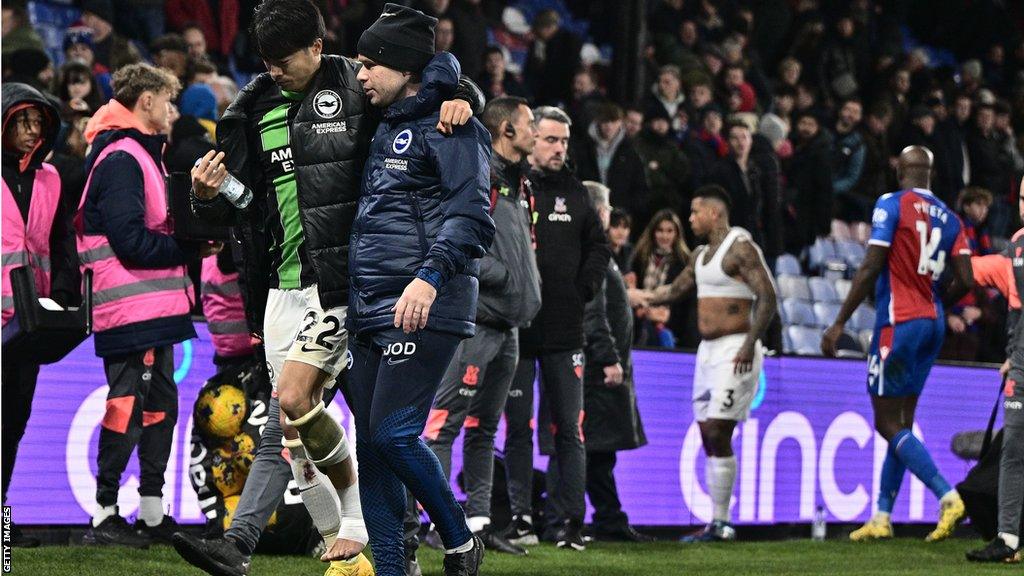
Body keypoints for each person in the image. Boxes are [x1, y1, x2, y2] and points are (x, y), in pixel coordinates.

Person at [181, 1, 479, 574]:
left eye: (283, 60)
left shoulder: (358, 83)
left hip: (347, 284)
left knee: (320, 412)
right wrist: (208, 196)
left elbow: (425, 82)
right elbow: (248, 207)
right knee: (303, 425)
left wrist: (463, 93)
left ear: (318, 48)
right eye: (264, 61)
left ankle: (330, 533)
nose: (272, 71)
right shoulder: (254, 106)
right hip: (280, 286)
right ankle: (359, 549)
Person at [347, 5, 495, 575]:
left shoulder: (455, 127)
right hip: (370, 305)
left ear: (402, 67)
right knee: (371, 445)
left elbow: (470, 219)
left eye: (369, 66)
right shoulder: (384, 122)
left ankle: (459, 541)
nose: (360, 76)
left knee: (394, 432)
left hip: (425, 300)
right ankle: (392, 567)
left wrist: (428, 279)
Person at [74, 63, 210, 547]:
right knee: (127, 409)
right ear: (146, 101)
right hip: (131, 312)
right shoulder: (122, 159)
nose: (173, 112)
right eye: (168, 101)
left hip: (152, 312)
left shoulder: (138, 155)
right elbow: (130, 242)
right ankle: (104, 514)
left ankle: (151, 514)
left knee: (157, 412)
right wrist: (190, 249)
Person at [821, 146, 974, 543]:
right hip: (933, 322)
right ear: (931, 173)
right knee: (902, 423)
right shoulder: (951, 217)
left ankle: (947, 496)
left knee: (886, 422)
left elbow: (873, 263)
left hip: (898, 322)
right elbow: (968, 280)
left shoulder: (891, 204)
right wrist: (938, 303)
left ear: (900, 169)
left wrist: (838, 322)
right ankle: (883, 516)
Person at [413, 96, 542, 557]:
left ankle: (478, 523)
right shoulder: (481, 173)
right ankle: (435, 522)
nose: (536, 130)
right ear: (506, 129)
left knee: (485, 427)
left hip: (509, 328)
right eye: (530, 123)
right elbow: (447, 232)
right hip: (475, 322)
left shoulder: (518, 183)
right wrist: (502, 276)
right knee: (444, 424)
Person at [642, 184, 777, 541]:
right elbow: (672, 291)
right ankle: (717, 523)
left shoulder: (741, 249)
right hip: (707, 353)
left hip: (735, 348)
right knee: (707, 433)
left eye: (695, 212)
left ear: (713, 213)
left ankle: (722, 521)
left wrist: (750, 343)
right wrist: (634, 296)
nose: (690, 218)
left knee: (718, 428)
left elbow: (768, 296)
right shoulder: (702, 255)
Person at [503, 105, 610, 551]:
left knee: (570, 429)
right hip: (520, 331)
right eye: (550, 139)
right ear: (531, 140)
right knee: (519, 429)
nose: (558, 148)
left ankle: (568, 521)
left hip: (567, 333)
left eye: (563, 141)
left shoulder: (577, 191)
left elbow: (599, 246)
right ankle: (521, 516)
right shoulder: (511, 184)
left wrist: (583, 287)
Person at [1, 82, 80, 549]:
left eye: (39, 124)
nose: (33, 132)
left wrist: (66, 292)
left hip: (30, 325)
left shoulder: (51, 179)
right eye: (24, 123)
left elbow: (61, 244)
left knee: (12, 424)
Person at [580, 181, 650, 542]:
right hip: (597, 371)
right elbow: (593, 313)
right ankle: (601, 518)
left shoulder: (598, 252)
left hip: (600, 368)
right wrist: (608, 357)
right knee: (595, 450)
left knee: (599, 451)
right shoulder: (593, 252)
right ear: (601, 212)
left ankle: (607, 517)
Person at [967, 183, 1024, 563]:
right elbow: (988, 272)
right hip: (1021, 368)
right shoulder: (1018, 243)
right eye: (1022, 199)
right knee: (1013, 453)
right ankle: (1008, 538)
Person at [572, 103, 651, 235]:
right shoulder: (584, 148)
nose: (609, 126)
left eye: (613, 121)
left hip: (620, 218)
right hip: (588, 216)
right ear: (598, 121)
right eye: (605, 121)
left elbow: (640, 187)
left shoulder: (631, 151)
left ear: (620, 122)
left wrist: (627, 211)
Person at [630, 209, 695, 349]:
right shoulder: (639, 258)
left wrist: (667, 318)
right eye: (660, 230)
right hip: (638, 329)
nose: (664, 235)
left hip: (671, 332)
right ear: (653, 232)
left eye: (669, 231)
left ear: (677, 233)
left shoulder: (685, 262)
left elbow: (686, 305)